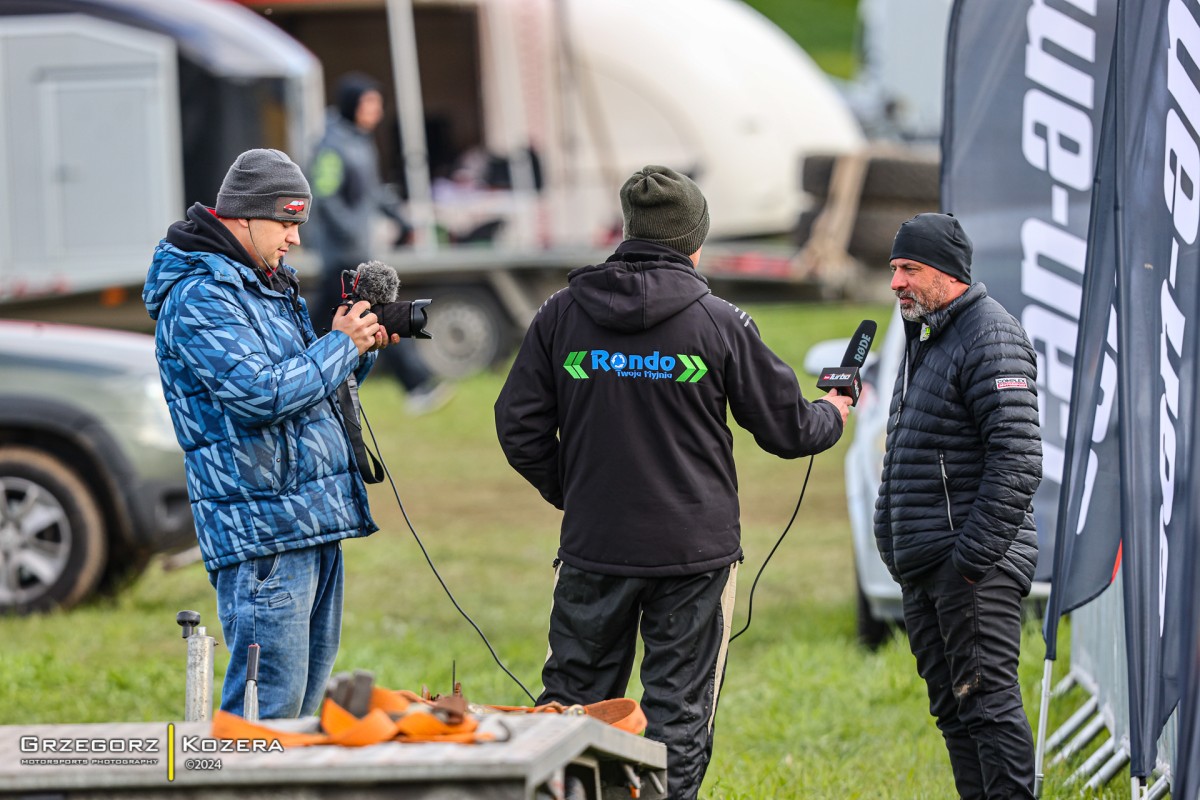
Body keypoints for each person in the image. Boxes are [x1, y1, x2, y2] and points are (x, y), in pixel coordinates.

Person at [495, 165, 852, 800]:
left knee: (573, 706)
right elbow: (790, 431)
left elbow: (517, 426)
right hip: (693, 553)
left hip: (594, 546)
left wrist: (577, 493)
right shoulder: (719, 321)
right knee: (678, 716)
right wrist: (836, 410)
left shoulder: (561, 314)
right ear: (694, 241)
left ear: (628, 230)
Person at [143, 148, 399, 718]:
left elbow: (303, 384)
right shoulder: (200, 296)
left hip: (308, 522)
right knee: (266, 715)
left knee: (303, 714)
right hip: (263, 538)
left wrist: (356, 352)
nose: (295, 239)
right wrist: (339, 347)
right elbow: (260, 394)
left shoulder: (264, 282)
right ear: (245, 216)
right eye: (287, 222)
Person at [874, 213, 1042, 799]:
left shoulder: (990, 335)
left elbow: (1017, 460)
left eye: (909, 269)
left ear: (948, 274)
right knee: (955, 712)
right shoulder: (926, 334)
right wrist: (892, 541)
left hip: (972, 570)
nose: (896, 282)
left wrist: (969, 561)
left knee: (990, 708)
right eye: (894, 268)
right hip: (927, 569)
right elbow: (907, 448)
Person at [308, 72, 452, 416]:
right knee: (374, 311)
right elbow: (325, 196)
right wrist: (349, 234)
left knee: (322, 323)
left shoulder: (360, 141)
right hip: (342, 253)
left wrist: (401, 220)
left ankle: (305, 376)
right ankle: (417, 384)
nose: (377, 111)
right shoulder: (331, 145)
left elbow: (373, 191)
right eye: (370, 103)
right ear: (351, 105)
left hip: (356, 250)